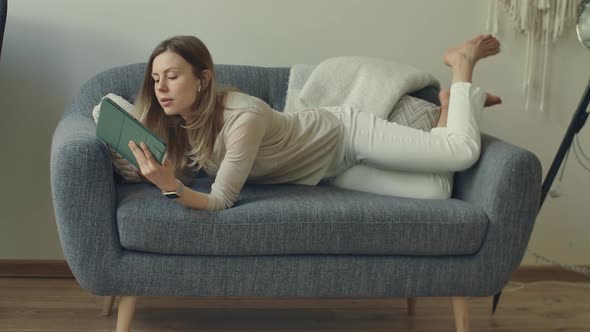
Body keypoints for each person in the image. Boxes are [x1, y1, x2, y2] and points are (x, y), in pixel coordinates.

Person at [128, 34, 501, 211]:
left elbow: (222, 199)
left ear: (203, 79)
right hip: (325, 171)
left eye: (172, 76)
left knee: (461, 152)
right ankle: (452, 107)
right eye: (156, 78)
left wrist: (169, 186)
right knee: (437, 192)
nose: (161, 87)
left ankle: (463, 64)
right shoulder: (181, 122)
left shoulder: (242, 117)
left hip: (345, 135)